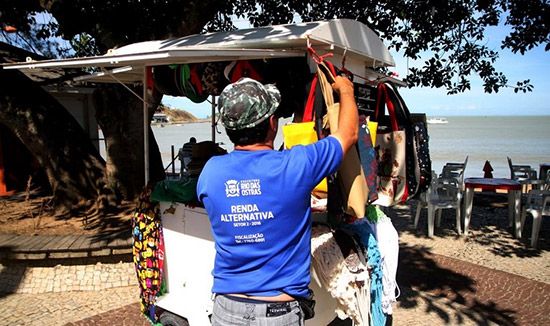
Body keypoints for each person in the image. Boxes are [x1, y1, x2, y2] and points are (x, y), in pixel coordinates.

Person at [197, 76, 358, 325]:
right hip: (278, 312)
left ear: (230, 130)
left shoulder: (210, 173)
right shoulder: (296, 165)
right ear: (272, 123)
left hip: (226, 308)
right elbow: (348, 134)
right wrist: (346, 90)